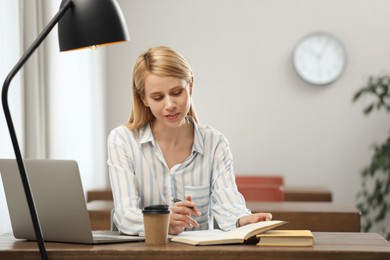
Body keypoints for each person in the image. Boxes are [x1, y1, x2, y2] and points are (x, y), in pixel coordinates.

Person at [107, 46, 272, 236]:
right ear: (143, 98)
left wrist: (245, 220)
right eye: (158, 97)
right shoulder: (122, 140)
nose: (170, 105)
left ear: (191, 86)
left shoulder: (215, 143)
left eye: (177, 92)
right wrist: (164, 221)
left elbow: (229, 206)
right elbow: (124, 215)